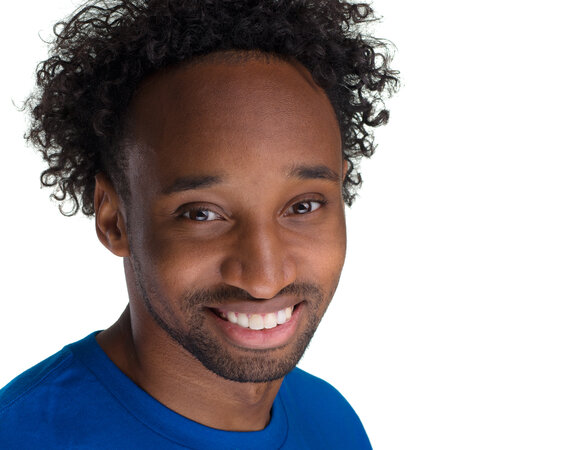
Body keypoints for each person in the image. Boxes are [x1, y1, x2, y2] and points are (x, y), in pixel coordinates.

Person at [0, 0, 398, 448]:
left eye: (303, 206)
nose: (264, 279)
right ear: (114, 219)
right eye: (202, 214)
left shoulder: (332, 421)